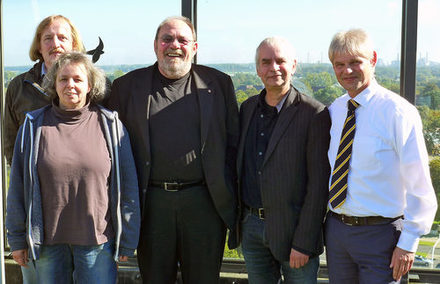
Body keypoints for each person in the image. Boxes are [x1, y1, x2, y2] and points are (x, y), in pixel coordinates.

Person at [106, 16, 239, 283]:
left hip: (205, 204)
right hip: (151, 205)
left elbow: (233, 144)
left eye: (182, 40)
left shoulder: (219, 84)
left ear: (195, 47)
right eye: (167, 39)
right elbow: (108, 149)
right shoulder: (127, 87)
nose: (174, 45)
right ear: (155, 45)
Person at [6, 52, 140, 284]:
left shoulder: (110, 124)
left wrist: (127, 238)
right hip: (47, 245)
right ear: (54, 84)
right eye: (63, 79)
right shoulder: (32, 126)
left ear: (90, 85)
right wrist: (17, 239)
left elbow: (127, 186)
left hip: (97, 244)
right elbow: (18, 186)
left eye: (78, 79)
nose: (71, 85)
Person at [325, 28, 438, 283]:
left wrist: (408, 243)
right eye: (339, 64)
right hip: (337, 233)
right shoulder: (335, 110)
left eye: (355, 62)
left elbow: (419, 184)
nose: (347, 71)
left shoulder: (398, 112)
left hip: (382, 238)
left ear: (373, 59)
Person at [237, 37, 330, 283]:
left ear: (294, 65)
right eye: (266, 62)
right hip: (251, 230)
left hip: (295, 233)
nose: (274, 68)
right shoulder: (246, 109)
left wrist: (304, 242)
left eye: (281, 61)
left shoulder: (314, 114)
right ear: (258, 69)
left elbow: (319, 187)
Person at [4, 15, 86, 165]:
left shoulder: (92, 85)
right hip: (35, 185)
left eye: (62, 37)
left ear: (74, 44)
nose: (55, 44)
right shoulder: (18, 87)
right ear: (39, 47)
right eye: (48, 38)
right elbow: (10, 143)